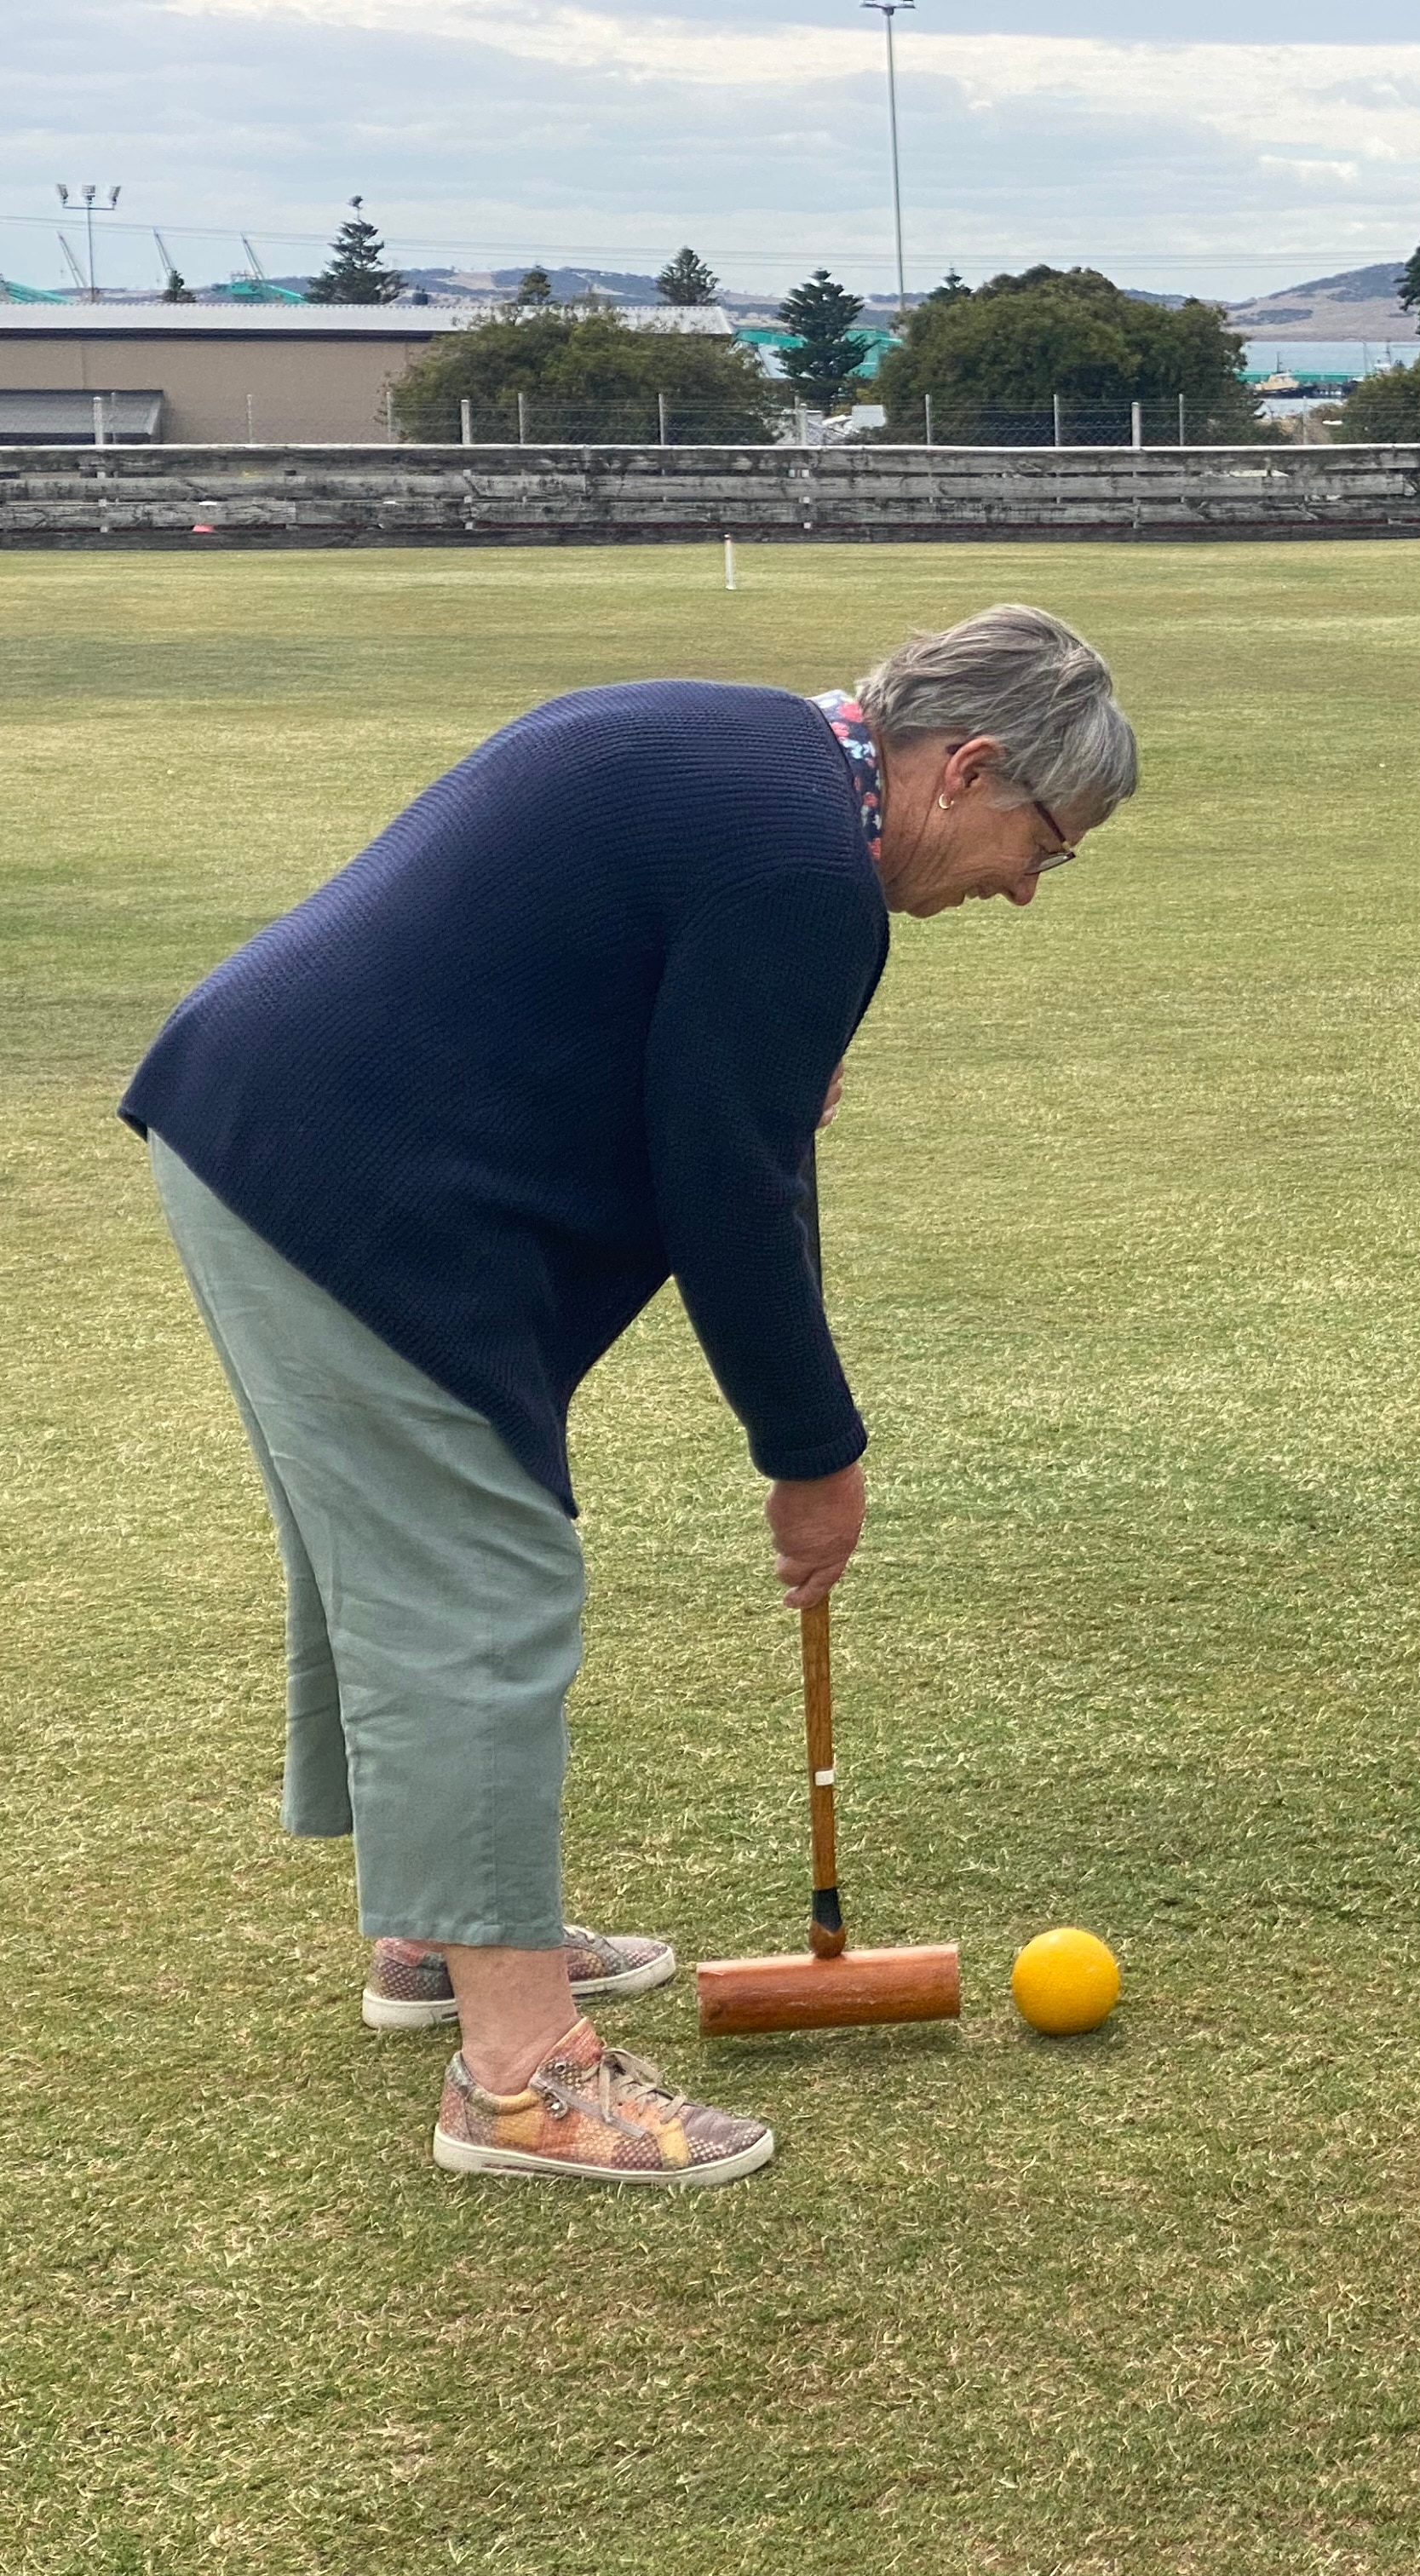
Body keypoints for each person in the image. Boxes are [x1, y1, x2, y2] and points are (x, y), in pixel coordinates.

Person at [124, 604, 1135, 2186]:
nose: (1021, 887)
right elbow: (728, 1188)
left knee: (395, 1567)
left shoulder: (754, 760)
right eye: (1044, 843)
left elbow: (699, 1082)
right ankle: (520, 2075)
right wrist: (815, 1454)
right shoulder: (803, 867)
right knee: (476, 1585)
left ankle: (439, 1939)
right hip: (349, 1183)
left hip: (267, 1125)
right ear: (973, 766)